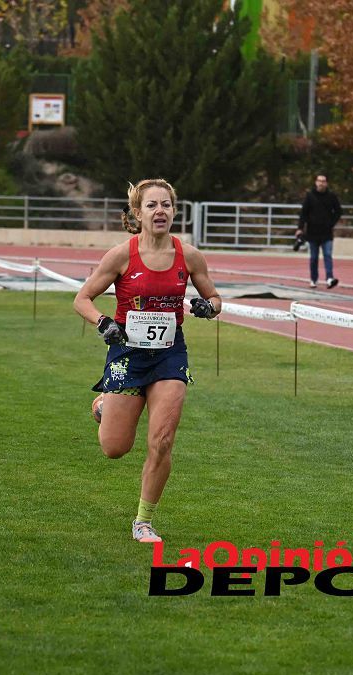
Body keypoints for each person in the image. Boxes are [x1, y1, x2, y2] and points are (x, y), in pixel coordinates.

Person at [74, 179, 221, 544]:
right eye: (152, 205)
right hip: (127, 352)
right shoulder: (122, 255)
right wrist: (103, 322)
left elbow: (215, 297)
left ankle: (144, 520)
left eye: (167, 205)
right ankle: (105, 404)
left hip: (170, 355)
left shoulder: (189, 256)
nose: (161, 211)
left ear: (174, 211)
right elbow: (82, 299)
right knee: (115, 448)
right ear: (137, 213)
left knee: (163, 440)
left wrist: (208, 307)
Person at [294, 174, 342, 289]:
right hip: (312, 233)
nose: (321, 183)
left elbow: (339, 211)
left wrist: (331, 223)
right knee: (314, 257)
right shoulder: (310, 196)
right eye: (319, 181)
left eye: (323, 181)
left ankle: (329, 278)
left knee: (327, 255)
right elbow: (303, 213)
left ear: (326, 183)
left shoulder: (331, 196)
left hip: (326, 233)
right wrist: (300, 228)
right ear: (316, 183)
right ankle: (313, 279)